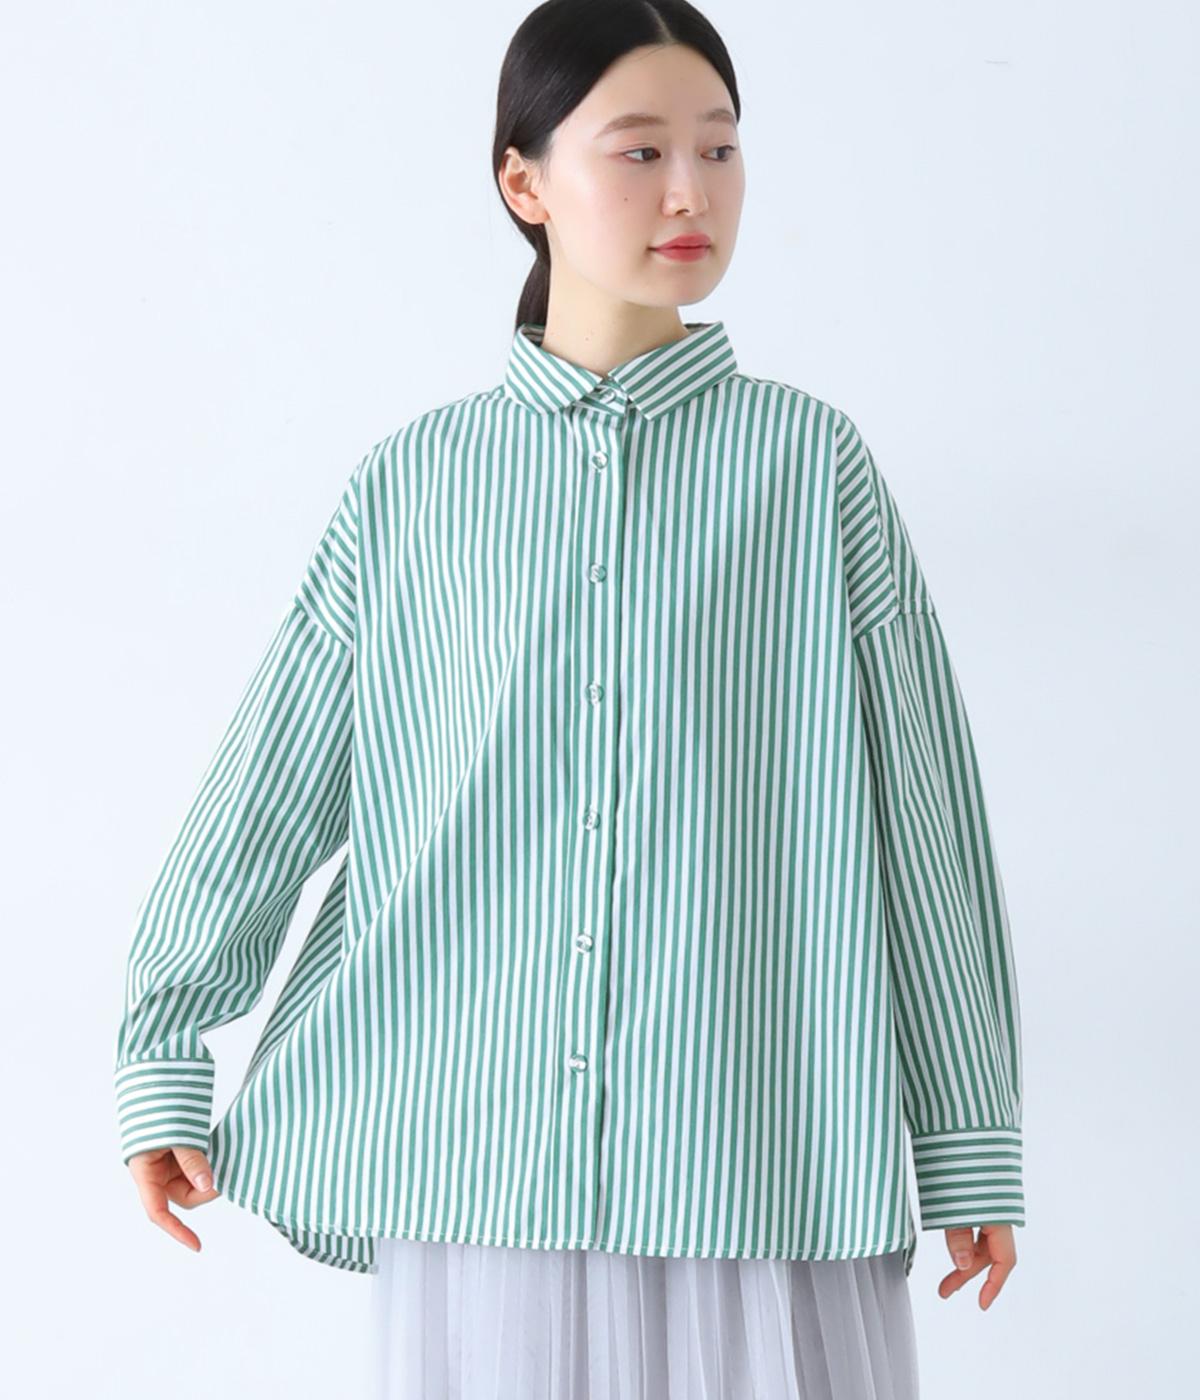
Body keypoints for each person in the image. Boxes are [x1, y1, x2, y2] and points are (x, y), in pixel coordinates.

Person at [115, 2, 1025, 1396]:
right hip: (477, 1161)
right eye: (641, 150)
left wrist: (968, 1137)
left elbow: (924, 818)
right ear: (524, 181)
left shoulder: (808, 469)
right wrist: (165, 1047)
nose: (691, 193)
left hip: (750, 1144)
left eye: (720, 149)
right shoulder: (416, 487)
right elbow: (270, 789)